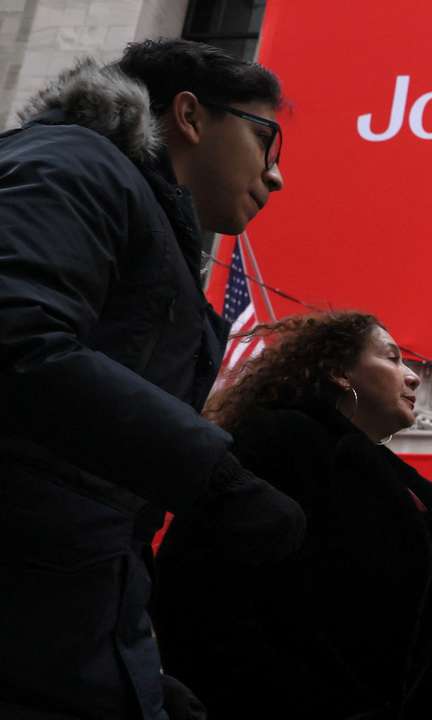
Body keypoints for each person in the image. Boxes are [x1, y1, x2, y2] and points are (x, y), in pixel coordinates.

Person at [0, 40, 303, 719]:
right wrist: (212, 476)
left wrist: (133, 674)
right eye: (266, 141)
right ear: (191, 116)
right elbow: (16, 337)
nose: (276, 176)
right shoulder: (71, 167)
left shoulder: (129, 205)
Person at [152, 311, 432, 720]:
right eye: (392, 358)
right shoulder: (278, 443)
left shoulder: (417, 496)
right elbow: (197, 586)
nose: (414, 376)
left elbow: (398, 657)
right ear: (339, 373)